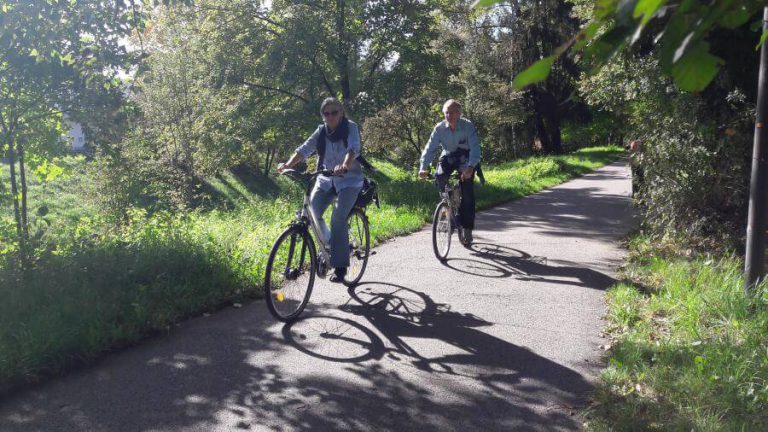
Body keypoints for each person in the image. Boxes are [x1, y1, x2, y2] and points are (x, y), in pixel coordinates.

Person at [277, 98, 364, 283]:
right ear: (322, 115)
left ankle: (340, 266)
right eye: (326, 113)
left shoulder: (350, 127)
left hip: (349, 181)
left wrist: (345, 165)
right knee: (309, 214)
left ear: (341, 112)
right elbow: (304, 149)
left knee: (338, 218)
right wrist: (287, 165)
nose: (330, 116)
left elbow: (353, 149)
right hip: (326, 179)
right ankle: (332, 245)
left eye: (334, 112)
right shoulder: (321, 131)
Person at [418, 99, 481, 244]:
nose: (448, 115)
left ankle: (467, 228)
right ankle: (448, 205)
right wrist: (423, 167)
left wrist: (471, 167)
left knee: (467, 193)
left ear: (459, 114)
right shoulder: (439, 128)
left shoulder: (467, 126)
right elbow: (430, 148)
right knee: (439, 176)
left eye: (452, 112)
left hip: (466, 158)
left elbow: (475, 148)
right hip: (448, 156)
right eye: (446, 112)